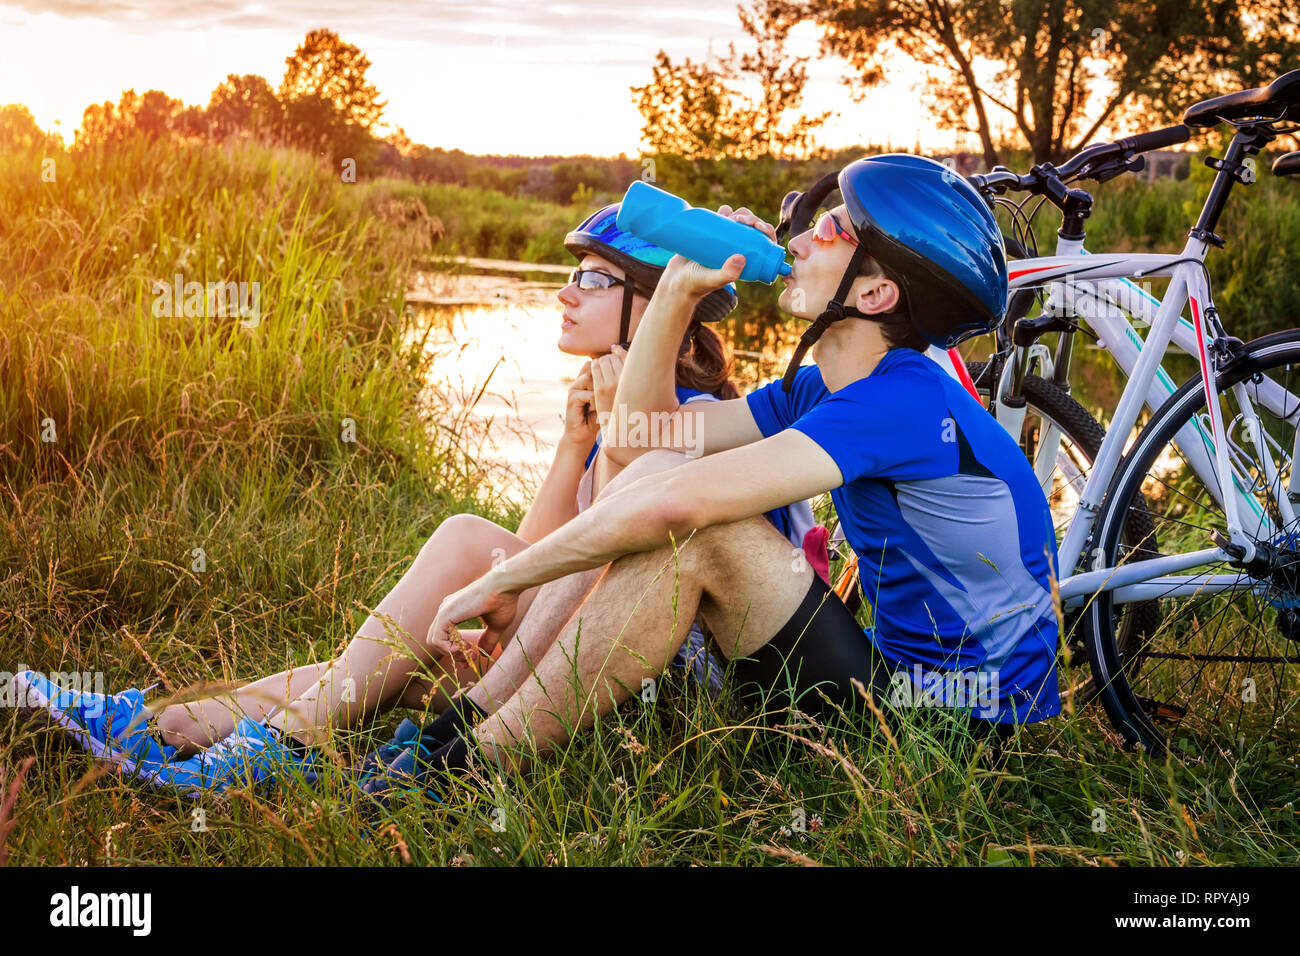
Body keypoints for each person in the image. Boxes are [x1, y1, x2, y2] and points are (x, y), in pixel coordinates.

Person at [15, 204, 813, 791]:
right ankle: (169, 729)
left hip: (659, 683)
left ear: (654, 305)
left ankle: (210, 737)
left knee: (456, 561)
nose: (566, 293)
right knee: (372, 670)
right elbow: (546, 559)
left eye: (594, 279)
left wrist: (505, 590)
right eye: (571, 274)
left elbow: (618, 564)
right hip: (579, 650)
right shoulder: (610, 406)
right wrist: (573, 445)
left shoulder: (703, 420)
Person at [352, 153, 1063, 800]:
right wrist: (680, 289)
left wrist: (503, 579)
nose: (802, 237)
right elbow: (638, 439)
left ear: (874, 295)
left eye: (833, 231)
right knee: (664, 473)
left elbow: (679, 504)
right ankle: (452, 733)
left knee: (700, 531)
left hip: (958, 735)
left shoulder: (903, 400)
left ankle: (462, 771)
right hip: (892, 685)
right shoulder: (822, 390)